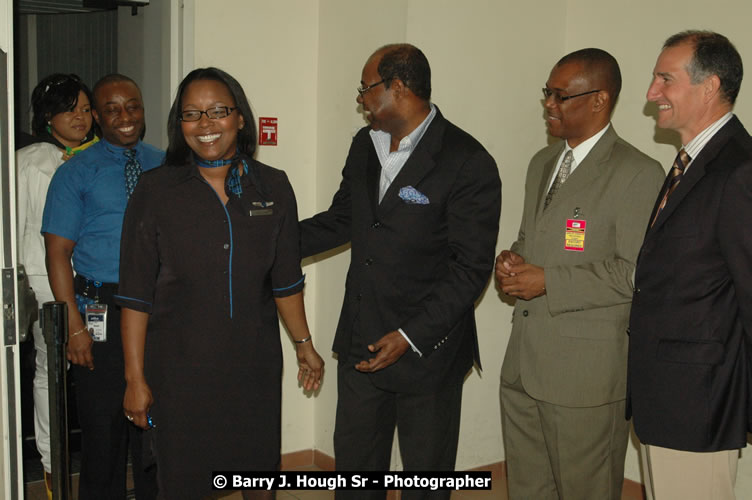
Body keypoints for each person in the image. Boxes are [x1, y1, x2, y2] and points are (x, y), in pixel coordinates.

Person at [300, 44, 501, 500]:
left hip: (427, 350)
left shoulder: (467, 161)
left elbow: (470, 269)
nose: (361, 99)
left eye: (367, 88)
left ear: (398, 87)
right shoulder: (363, 145)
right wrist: (268, 245)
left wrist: (409, 335)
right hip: (362, 342)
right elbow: (342, 219)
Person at [115, 67, 324, 500]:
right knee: (183, 483)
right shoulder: (155, 192)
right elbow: (135, 296)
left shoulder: (274, 186)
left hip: (254, 368)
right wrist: (135, 379)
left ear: (240, 118)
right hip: (178, 373)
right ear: (179, 125)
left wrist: (304, 345)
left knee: (258, 476)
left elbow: (286, 281)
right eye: (192, 114)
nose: (206, 124)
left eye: (218, 111)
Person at [496, 49, 664, 500]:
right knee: (528, 490)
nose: (549, 104)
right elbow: (531, 240)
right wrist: (512, 261)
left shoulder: (638, 173)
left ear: (598, 100)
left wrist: (549, 280)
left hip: (584, 379)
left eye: (560, 95)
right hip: (524, 365)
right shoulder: (541, 164)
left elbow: (634, 273)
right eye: (546, 94)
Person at [628, 31, 752, 500]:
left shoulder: (739, 169)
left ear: (709, 87)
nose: (651, 93)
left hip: (699, 403)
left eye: (665, 79)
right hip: (665, 397)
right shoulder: (690, 163)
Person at [42, 73, 161, 500]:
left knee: (157, 433)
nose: (124, 117)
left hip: (157, 308)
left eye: (132, 106)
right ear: (96, 115)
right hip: (101, 308)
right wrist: (74, 324)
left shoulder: (166, 165)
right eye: (112, 108)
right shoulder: (76, 173)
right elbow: (57, 253)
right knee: (103, 429)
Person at [17, 72, 97, 499]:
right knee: (51, 377)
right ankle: (52, 466)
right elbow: (15, 227)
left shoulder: (98, 156)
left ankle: (95, 462)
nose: (80, 117)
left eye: (85, 109)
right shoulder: (30, 161)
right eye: (70, 110)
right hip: (47, 288)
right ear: (49, 116)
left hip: (94, 284)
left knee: (94, 373)